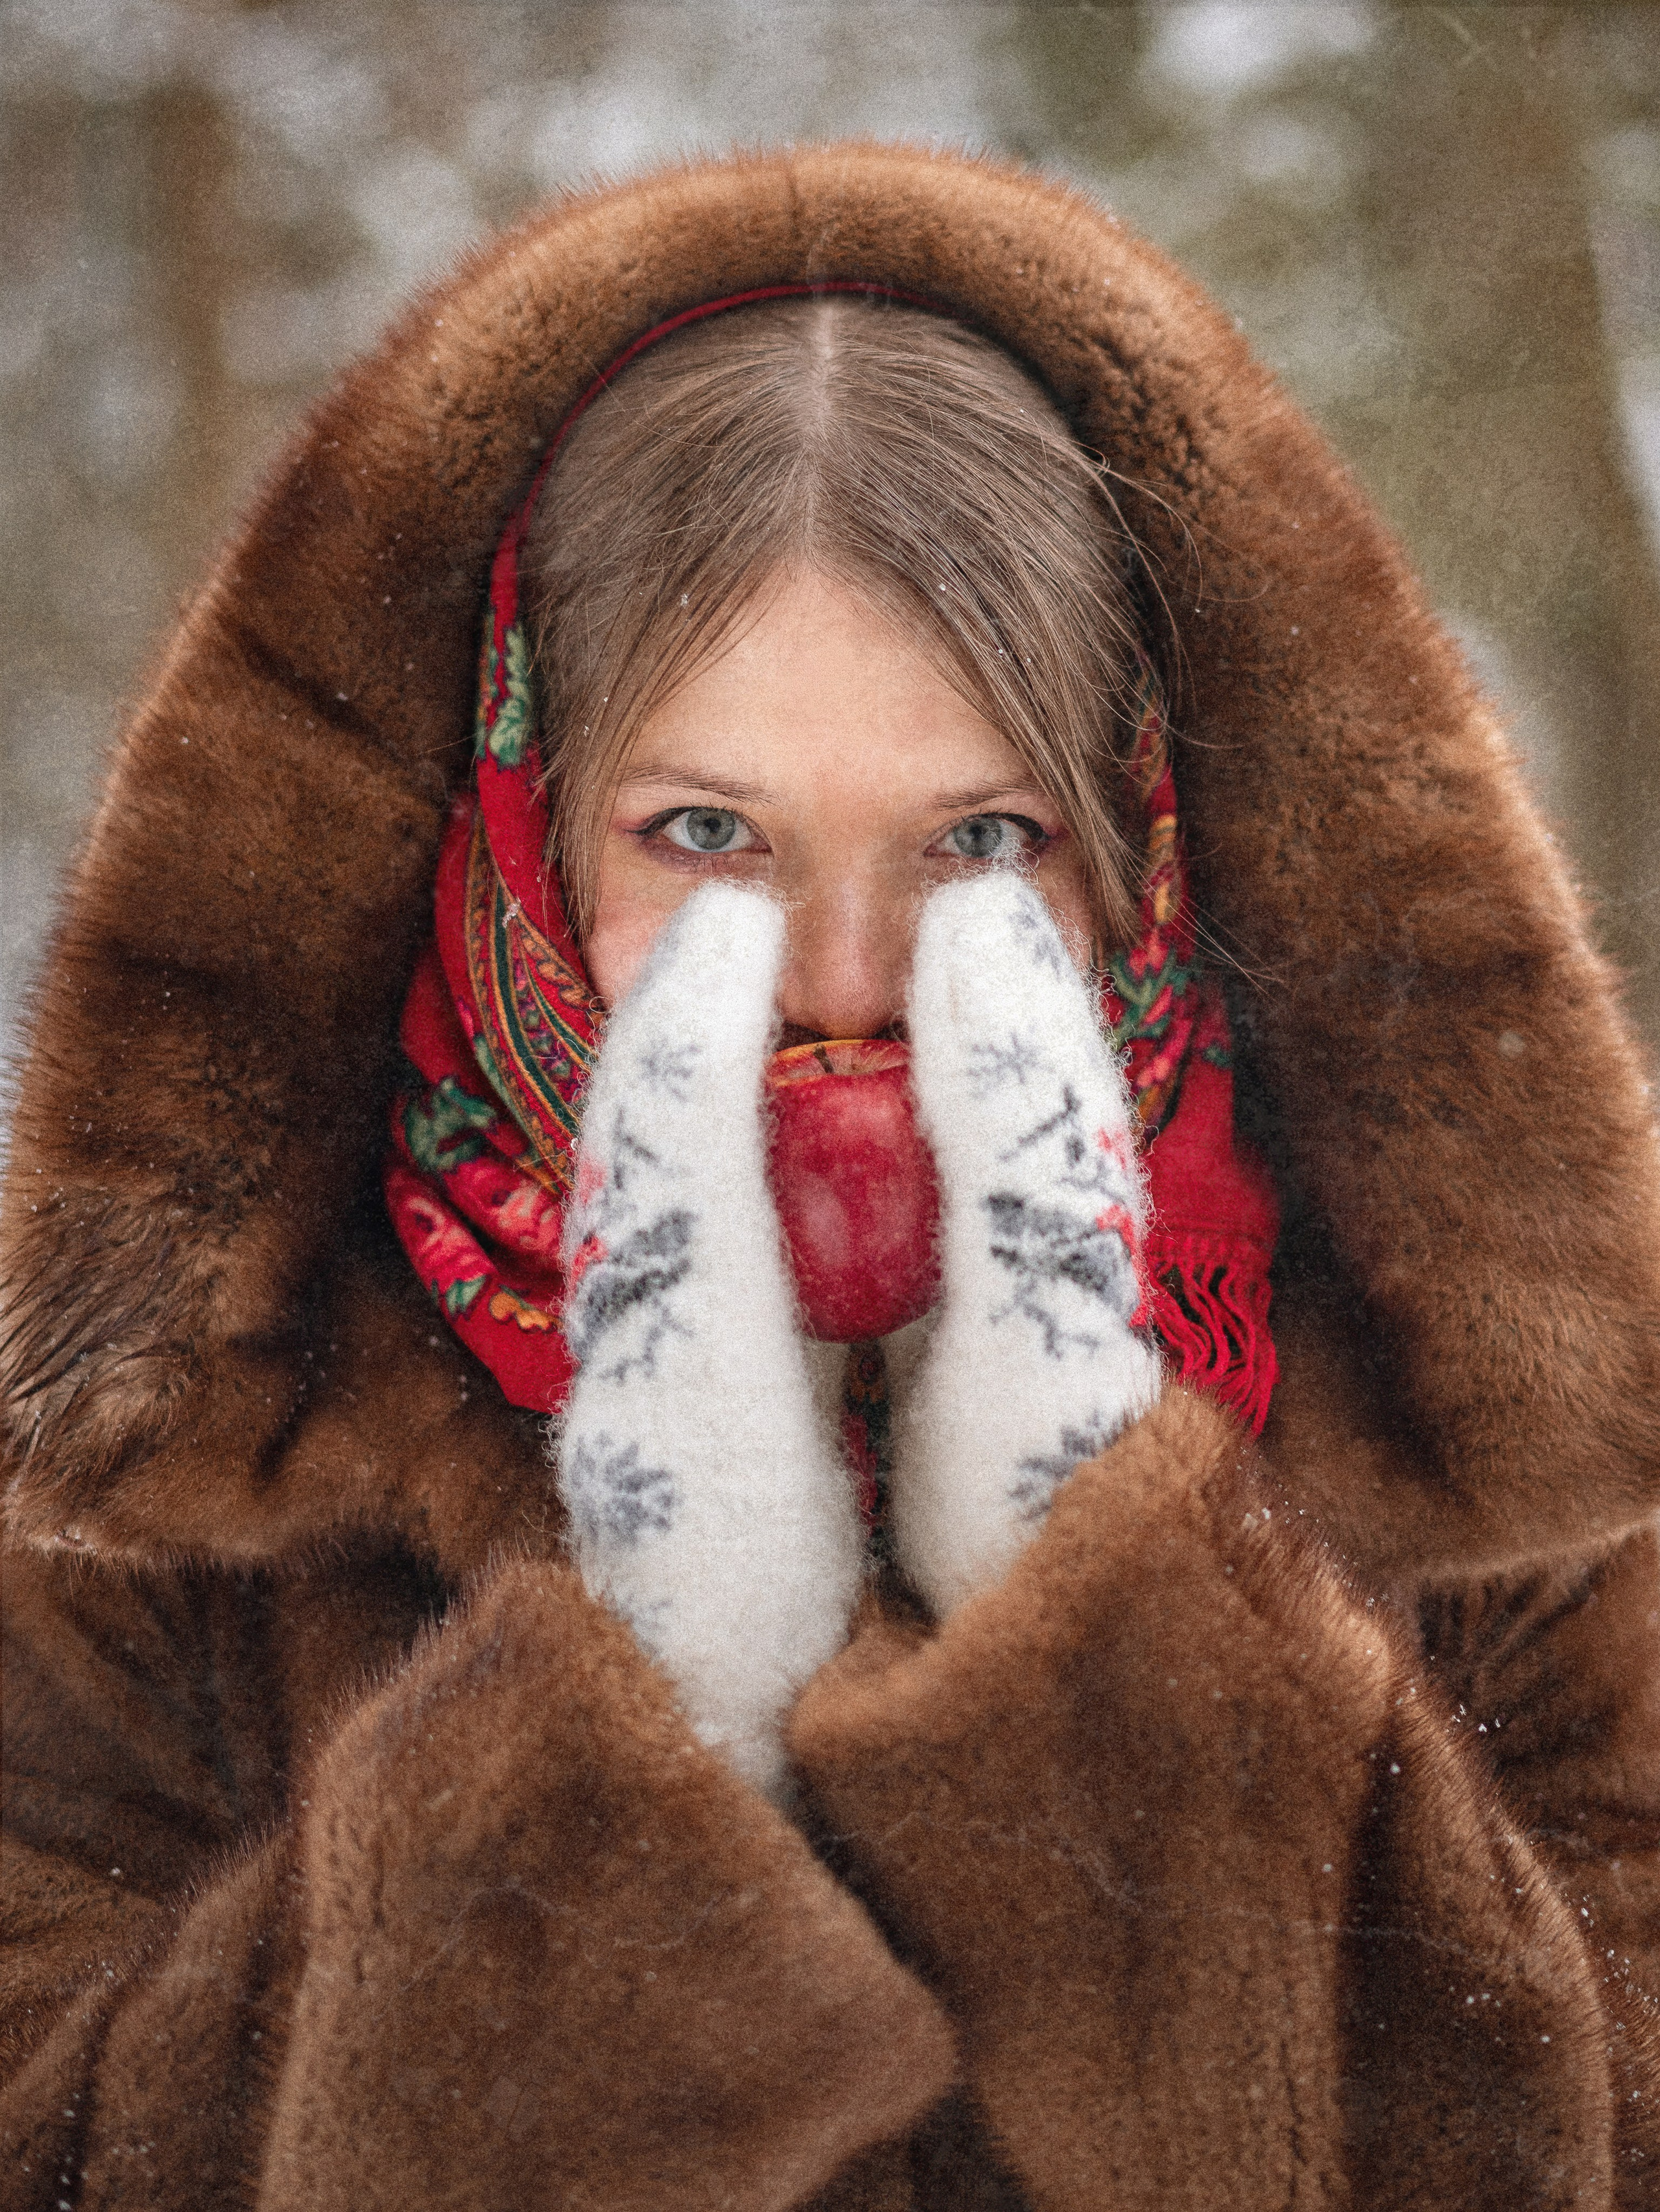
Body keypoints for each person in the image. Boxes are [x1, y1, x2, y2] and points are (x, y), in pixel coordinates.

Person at [3, 143, 1659, 2212]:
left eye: (983, 841)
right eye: (708, 832)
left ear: (1142, 841)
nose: (847, 986)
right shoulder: (165, 1499)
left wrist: (1115, 1638)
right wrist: (638, 1738)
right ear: (519, 817)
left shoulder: (1516, 1488)